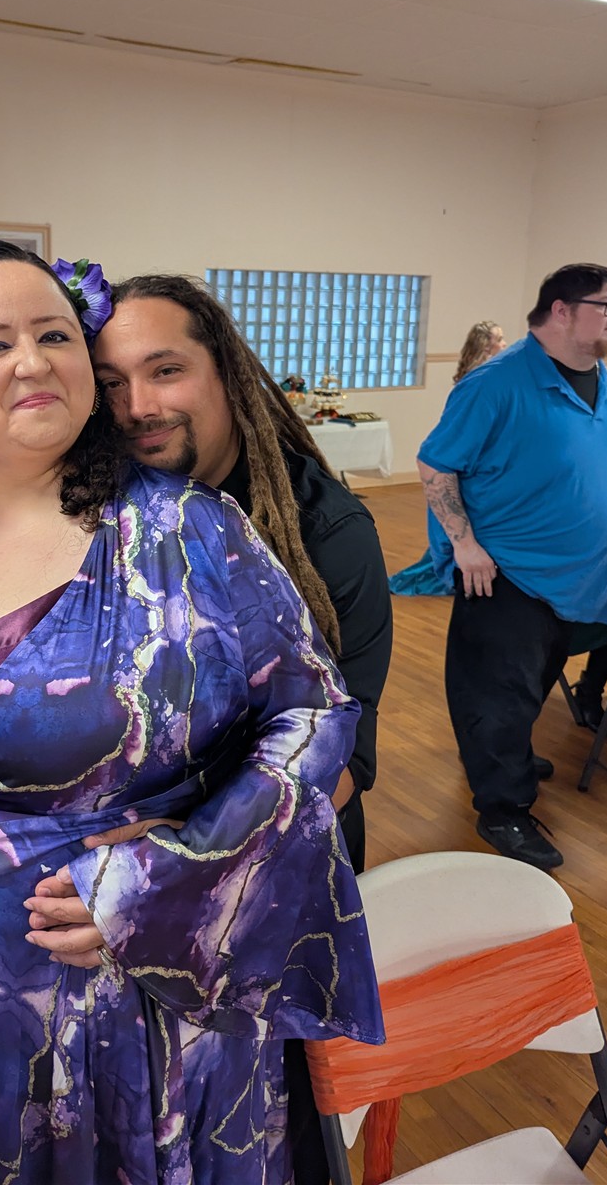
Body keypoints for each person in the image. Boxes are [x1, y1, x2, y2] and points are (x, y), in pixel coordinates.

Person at [0, 241, 382, 1185]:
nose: (31, 361)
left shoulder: (185, 531)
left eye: (54, 335)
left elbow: (313, 720)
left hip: (88, 1027)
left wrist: (172, 876)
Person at [92, 273, 393, 875]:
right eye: (111, 384)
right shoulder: (97, 514)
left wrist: (184, 859)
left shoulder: (322, 533)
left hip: (269, 862)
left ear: (227, 374)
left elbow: (341, 762)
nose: (138, 407)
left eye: (166, 370)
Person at [417, 263, 607, 871]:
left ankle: (503, 756)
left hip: (580, 577)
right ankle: (503, 810)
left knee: (531, 685)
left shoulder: (605, 383)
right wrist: (464, 543)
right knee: (499, 694)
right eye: (605, 305)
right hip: (509, 572)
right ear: (561, 309)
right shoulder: (497, 383)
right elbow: (437, 464)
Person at [390, 320, 508, 597]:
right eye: (500, 339)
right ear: (487, 346)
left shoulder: (493, 378)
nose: (505, 344)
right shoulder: (478, 382)